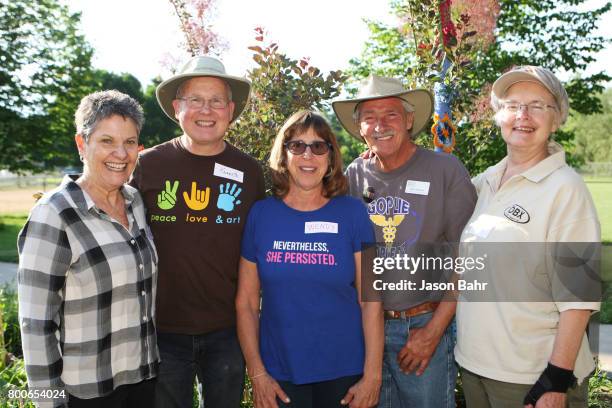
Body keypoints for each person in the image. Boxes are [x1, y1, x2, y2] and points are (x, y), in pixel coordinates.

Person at [455, 66, 601, 408]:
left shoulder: (566, 189)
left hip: (530, 378)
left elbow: (579, 297)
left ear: (557, 119)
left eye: (538, 105)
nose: (523, 115)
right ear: (498, 115)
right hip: (476, 366)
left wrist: (556, 379)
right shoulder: (485, 182)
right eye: (512, 104)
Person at [333, 75, 477, 408]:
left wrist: (434, 331)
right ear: (359, 127)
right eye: (369, 117)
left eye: (391, 115)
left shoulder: (445, 170)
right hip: (365, 330)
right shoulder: (355, 175)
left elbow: (470, 258)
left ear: (409, 120)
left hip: (422, 326)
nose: (379, 125)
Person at [130, 56, 265, 408]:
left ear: (230, 109)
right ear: (178, 108)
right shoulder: (147, 166)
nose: (207, 110)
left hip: (227, 330)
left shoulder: (249, 172)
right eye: (195, 100)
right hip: (161, 330)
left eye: (216, 100)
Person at [18, 90, 159, 407]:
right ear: (82, 144)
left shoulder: (135, 202)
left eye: (130, 142)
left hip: (142, 381)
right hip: (87, 393)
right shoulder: (54, 215)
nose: (120, 153)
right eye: (107, 141)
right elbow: (36, 326)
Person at [236, 110, 383, 408]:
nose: (308, 155)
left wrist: (373, 376)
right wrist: (258, 374)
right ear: (284, 154)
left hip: (346, 373)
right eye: (297, 146)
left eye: (318, 146)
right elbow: (247, 303)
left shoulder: (356, 213)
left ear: (330, 156)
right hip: (280, 374)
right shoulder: (260, 215)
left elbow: (372, 298)